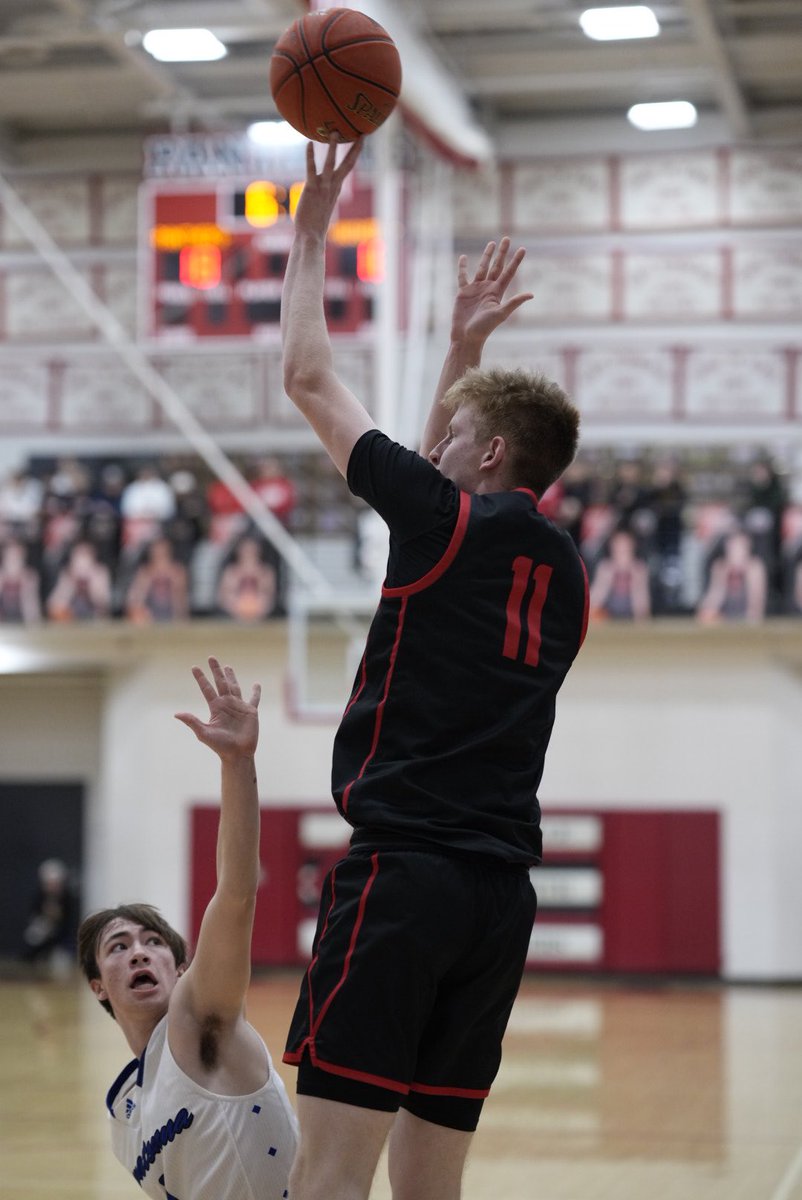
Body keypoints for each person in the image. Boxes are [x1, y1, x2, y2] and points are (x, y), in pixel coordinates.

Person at [279, 138, 588, 1200]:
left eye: (454, 433)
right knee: (429, 1192)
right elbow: (427, 488)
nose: (437, 443)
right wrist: (460, 354)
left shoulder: (442, 520)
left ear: (489, 454)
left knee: (327, 1180)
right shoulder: (564, 571)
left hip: (403, 877)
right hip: (498, 898)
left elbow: (307, 376)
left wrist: (312, 230)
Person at [76, 658, 298, 1200]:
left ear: (181, 969)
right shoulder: (124, 1111)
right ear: (98, 985)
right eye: (119, 947)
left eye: (154, 943)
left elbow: (236, 896)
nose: (138, 954)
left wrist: (237, 764)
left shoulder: (200, 1016)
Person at [697, 527, 767, 622]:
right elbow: (712, 601)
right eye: (733, 548)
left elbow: (756, 605)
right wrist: (724, 577)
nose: (737, 553)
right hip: (724, 618)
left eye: (740, 548)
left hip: (746, 619)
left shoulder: (754, 568)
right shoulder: (720, 567)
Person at [589, 527, 652, 620]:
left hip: (632, 613)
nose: (622, 549)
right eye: (619, 545)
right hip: (607, 613)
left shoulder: (639, 568)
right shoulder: (605, 567)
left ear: (632, 546)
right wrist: (611, 572)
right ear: (612, 547)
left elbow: (642, 601)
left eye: (625, 545)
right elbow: (595, 599)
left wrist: (632, 573)